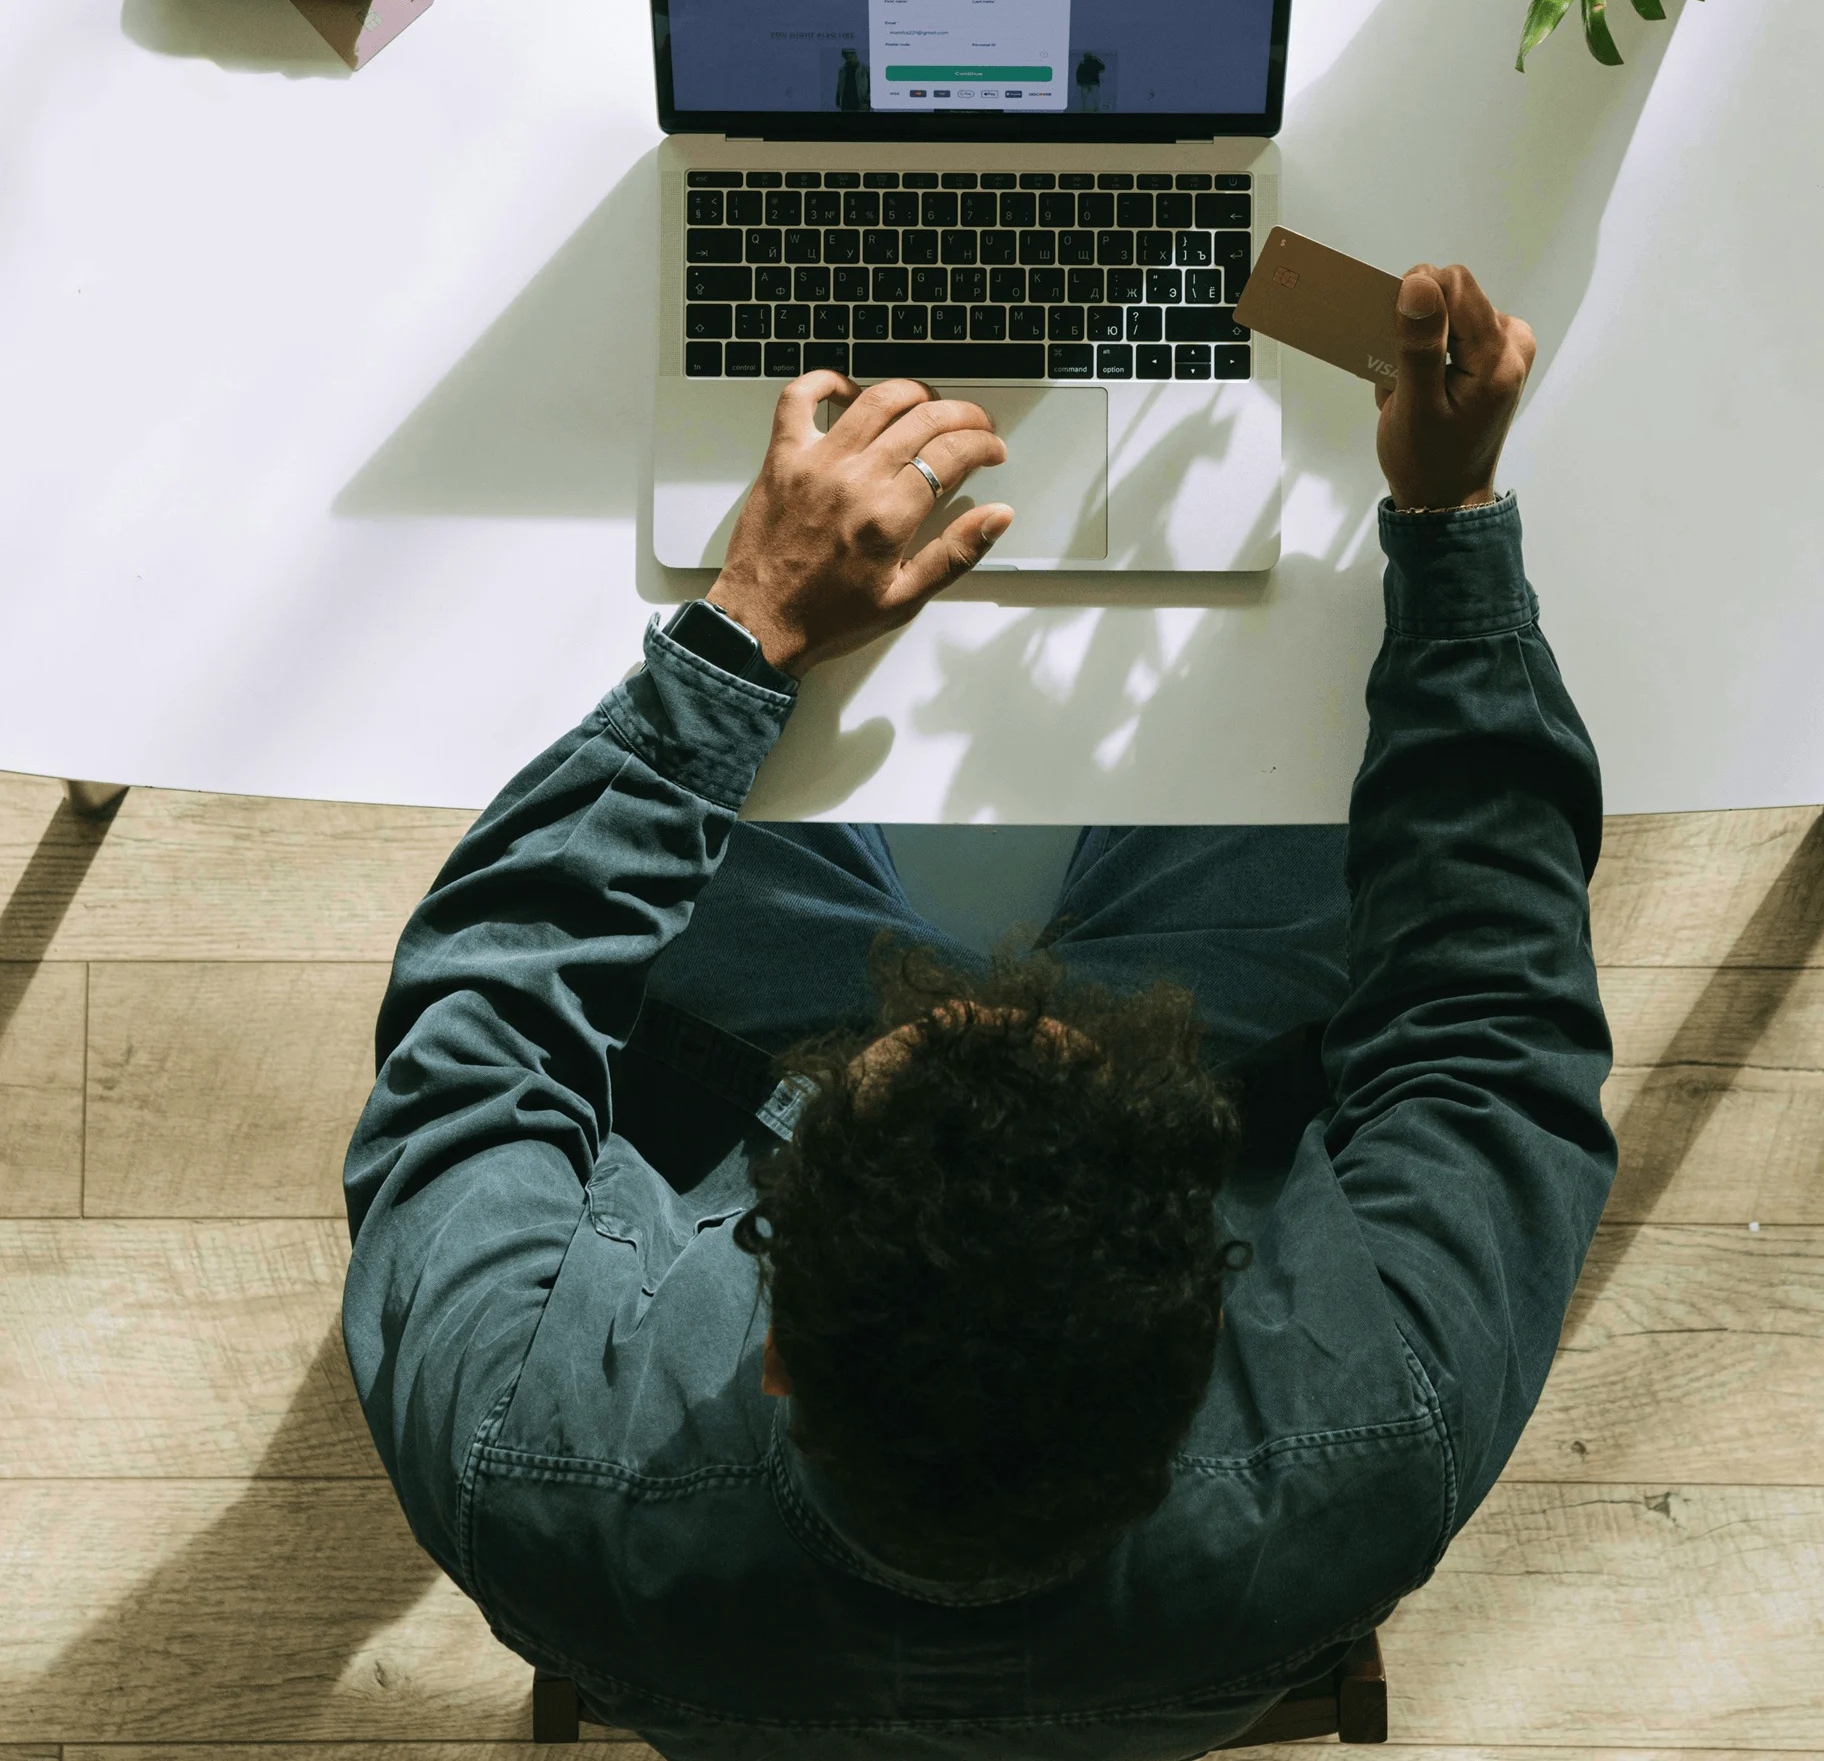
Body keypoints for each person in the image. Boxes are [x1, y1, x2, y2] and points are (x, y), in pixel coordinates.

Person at [342, 265, 1617, 1760]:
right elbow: (1489, 1015)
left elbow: (483, 1007)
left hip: (759, 1074)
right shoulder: (1383, 1425)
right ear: (1213, 1313)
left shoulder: (519, 1448)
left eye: (902, 1060)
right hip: (1189, 1092)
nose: (984, 985)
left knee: (616, 767)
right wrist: (1451, 528)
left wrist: (743, 633)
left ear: (774, 1345)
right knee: (1306, 744)